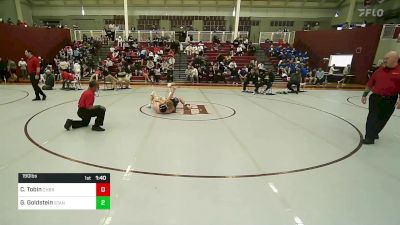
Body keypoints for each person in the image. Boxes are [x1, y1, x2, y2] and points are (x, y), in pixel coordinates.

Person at [361, 51, 400, 144]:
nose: (384, 60)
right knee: (372, 117)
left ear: (395, 59)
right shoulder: (379, 70)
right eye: (384, 58)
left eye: (387, 58)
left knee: (383, 118)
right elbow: (370, 83)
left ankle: (374, 132)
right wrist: (364, 95)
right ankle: (369, 137)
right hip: (375, 98)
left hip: (390, 99)